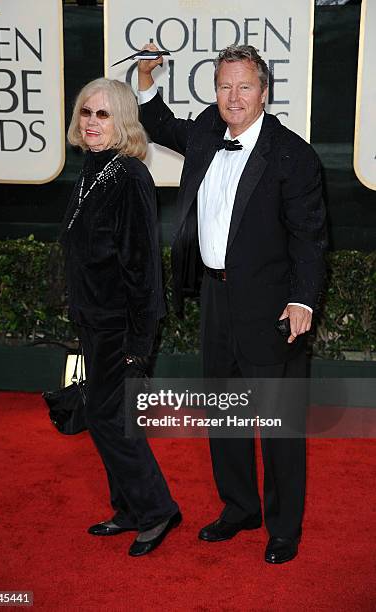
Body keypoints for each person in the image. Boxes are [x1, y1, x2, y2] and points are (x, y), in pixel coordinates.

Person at [138, 44, 327, 563]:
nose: (234, 96)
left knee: (279, 424)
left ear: (264, 92)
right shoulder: (204, 131)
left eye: (245, 86)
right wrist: (145, 79)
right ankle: (241, 507)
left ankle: (284, 528)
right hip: (215, 296)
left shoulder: (293, 154)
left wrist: (302, 301)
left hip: (271, 305)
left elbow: (310, 237)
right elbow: (161, 125)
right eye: (225, 86)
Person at [60, 77, 181, 557]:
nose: (91, 122)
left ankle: (157, 510)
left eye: (103, 114)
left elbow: (143, 265)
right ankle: (131, 508)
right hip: (95, 319)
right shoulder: (93, 170)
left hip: (119, 324)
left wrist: (139, 340)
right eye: (87, 112)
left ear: (124, 122)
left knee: (107, 417)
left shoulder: (129, 176)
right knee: (112, 416)